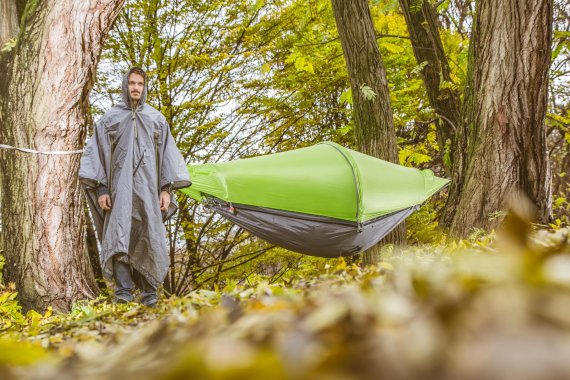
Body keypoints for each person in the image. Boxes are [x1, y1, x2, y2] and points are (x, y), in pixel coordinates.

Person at [79, 67, 191, 307]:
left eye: (140, 83)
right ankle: (123, 295)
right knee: (119, 237)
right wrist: (101, 190)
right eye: (132, 83)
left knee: (150, 237)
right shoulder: (109, 120)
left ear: (145, 86)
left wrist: (165, 190)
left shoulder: (156, 119)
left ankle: (151, 297)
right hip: (119, 193)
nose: (136, 87)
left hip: (149, 192)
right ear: (125, 85)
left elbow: (167, 157)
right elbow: (96, 155)